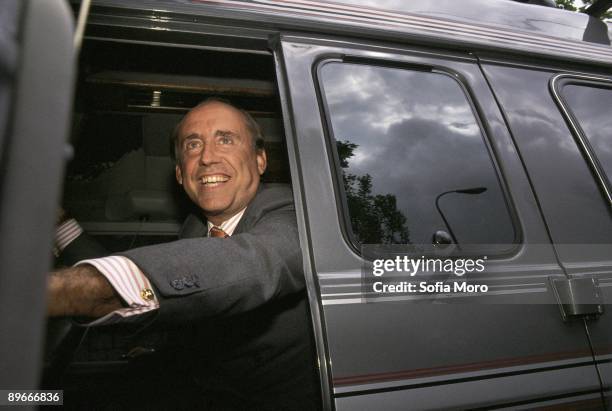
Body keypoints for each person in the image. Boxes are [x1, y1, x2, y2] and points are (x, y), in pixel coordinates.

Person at [48, 99, 321, 410]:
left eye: (226, 139)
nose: (207, 157)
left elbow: (255, 265)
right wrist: (60, 225)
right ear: (180, 174)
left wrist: (62, 291)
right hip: (200, 384)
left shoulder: (291, 211)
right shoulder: (194, 227)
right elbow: (144, 269)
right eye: (193, 145)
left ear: (260, 160)